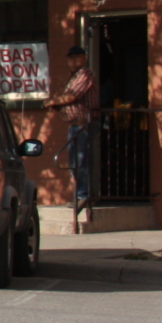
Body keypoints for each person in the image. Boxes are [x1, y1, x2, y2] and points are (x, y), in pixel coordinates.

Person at [47, 45, 95, 232]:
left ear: (85, 58)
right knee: (74, 161)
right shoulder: (73, 77)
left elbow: (72, 96)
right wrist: (57, 105)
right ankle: (80, 194)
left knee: (81, 161)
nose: (74, 60)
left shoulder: (85, 74)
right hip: (74, 125)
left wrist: (54, 101)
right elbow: (67, 100)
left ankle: (83, 195)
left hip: (84, 125)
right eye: (71, 58)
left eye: (78, 57)